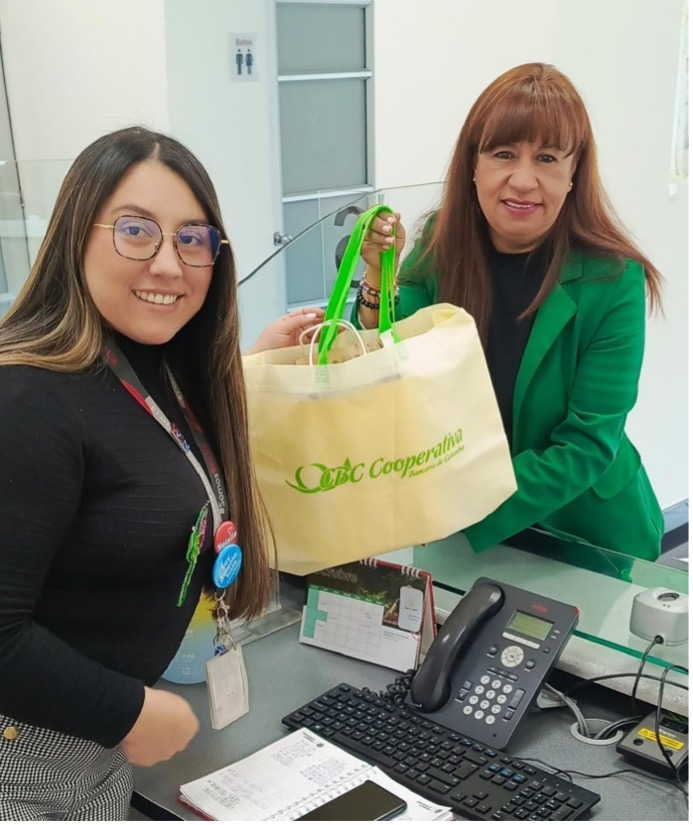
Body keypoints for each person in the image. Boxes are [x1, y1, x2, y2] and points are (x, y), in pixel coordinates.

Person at [0, 125, 322, 820]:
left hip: (93, 750)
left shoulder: (165, 367)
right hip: (24, 752)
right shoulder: (26, 399)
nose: (169, 265)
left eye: (192, 239)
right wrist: (127, 711)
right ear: (75, 235)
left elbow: (147, 457)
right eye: (136, 231)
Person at [355, 62, 664, 562]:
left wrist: (454, 504)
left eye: (547, 158)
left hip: (581, 530)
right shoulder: (442, 239)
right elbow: (393, 344)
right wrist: (377, 274)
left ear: (573, 173)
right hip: (458, 520)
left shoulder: (613, 279)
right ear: (473, 165)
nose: (522, 180)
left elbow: (585, 446)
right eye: (503, 154)